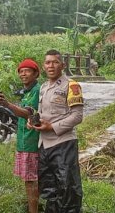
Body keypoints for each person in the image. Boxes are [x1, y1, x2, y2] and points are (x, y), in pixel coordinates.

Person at [29, 49, 84, 213]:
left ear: (63, 65)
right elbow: (42, 113)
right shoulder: (44, 87)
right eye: (47, 62)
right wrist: (33, 121)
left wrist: (52, 127)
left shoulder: (71, 86)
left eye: (55, 62)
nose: (51, 66)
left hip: (63, 144)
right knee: (49, 189)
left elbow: (77, 116)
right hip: (44, 145)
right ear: (43, 66)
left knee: (68, 189)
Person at [0, 58, 41, 213]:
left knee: (31, 179)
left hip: (32, 141)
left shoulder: (36, 91)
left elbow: (29, 113)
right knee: (29, 179)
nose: (23, 74)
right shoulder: (26, 92)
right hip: (24, 141)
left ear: (36, 73)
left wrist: (7, 104)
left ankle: (33, 210)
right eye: (21, 71)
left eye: (27, 71)